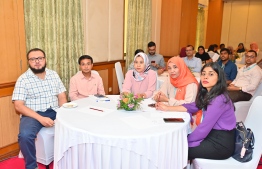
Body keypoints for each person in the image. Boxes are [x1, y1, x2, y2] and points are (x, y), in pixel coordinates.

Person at [156, 62, 236, 160]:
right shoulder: (209, 93)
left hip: (220, 144)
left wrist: (185, 141)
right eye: (203, 74)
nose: (205, 77)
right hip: (211, 135)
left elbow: (204, 127)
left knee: (175, 150)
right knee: (174, 143)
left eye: (211, 74)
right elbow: (193, 106)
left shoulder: (219, 99)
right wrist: (168, 108)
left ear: (219, 78)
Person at [12, 48, 67, 169]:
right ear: (29, 62)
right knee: (25, 136)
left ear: (45, 59)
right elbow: (18, 105)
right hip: (33, 114)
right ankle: (32, 166)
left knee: (75, 122)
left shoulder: (53, 74)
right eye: (33, 59)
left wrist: (64, 112)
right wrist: (41, 118)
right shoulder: (23, 79)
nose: (37, 61)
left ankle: (70, 157)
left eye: (40, 58)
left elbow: (62, 96)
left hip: (55, 110)